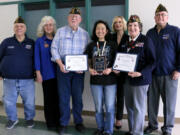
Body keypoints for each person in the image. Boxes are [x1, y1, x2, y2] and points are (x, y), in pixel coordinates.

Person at [51, 7, 90, 135]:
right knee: (63, 98)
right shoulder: (60, 32)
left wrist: (84, 66)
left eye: (76, 17)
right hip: (63, 69)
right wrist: (60, 63)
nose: (74, 18)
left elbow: (89, 52)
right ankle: (63, 123)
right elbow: (54, 49)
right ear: (68, 18)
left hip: (78, 72)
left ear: (80, 19)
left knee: (78, 98)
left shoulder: (85, 34)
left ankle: (78, 121)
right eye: (71, 16)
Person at [144, 4, 180, 135]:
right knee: (151, 103)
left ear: (167, 17)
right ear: (154, 18)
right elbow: (145, 53)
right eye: (158, 15)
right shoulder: (150, 33)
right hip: (152, 74)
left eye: (163, 15)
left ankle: (168, 127)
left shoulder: (175, 31)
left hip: (170, 74)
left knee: (169, 104)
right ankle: (152, 125)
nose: (160, 17)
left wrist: (178, 70)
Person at [117, 15, 155, 135]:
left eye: (135, 25)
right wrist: (117, 68)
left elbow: (153, 61)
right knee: (129, 107)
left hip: (140, 80)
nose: (132, 28)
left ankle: (138, 132)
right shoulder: (125, 40)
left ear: (139, 27)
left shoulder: (146, 40)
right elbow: (120, 57)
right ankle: (132, 130)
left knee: (138, 108)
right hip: (127, 79)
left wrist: (141, 73)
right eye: (130, 25)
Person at [0, 17, 35, 129]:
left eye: (21, 26)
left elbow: (37, 60)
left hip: (27, 80)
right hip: (9, 79)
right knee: (9, 102)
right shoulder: (6, 42)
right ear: (14, 28)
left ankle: (29, 118)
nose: (19, 28)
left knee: (29, 102)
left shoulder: (31, 43)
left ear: (25, 28)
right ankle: (12, 119)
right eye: (17, 26)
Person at [84, 20, 117, 135]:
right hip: (95, 80)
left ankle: (108, 130)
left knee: (109, 106)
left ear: (107, 31)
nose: (100, 31)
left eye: (103, 28)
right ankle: (100, 127)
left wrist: (111, 69)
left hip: (110, 80)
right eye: (98, 28)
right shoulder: (91, 45)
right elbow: (85, 60)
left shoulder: (112, 44)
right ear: (95, 31)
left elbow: (118, 62)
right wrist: (89, 69)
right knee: (98, 106)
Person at [34, 16, 60, 130]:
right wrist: (38, 73)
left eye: (51, 25)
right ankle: (50, 123)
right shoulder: (39, 41)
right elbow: (36, 58)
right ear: (43, 27)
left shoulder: (58, 39)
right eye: (46, 25)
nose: (49, 27)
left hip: (60, 75)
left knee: (59, 99)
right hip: (47, 75)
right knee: (49, 100)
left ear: (53, 26)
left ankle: (59, 121)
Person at [111, 16, 128, 129]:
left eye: (120, 22)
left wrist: (121, 69)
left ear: (123, 24)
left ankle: (119, 119)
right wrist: (112, 68)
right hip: (111, 71)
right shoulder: (110, 37)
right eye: (116, 22)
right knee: (110, 97)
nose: (118, 24)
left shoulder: (128, 37)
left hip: (123, 73)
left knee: (120, 96)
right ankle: (111, 117)